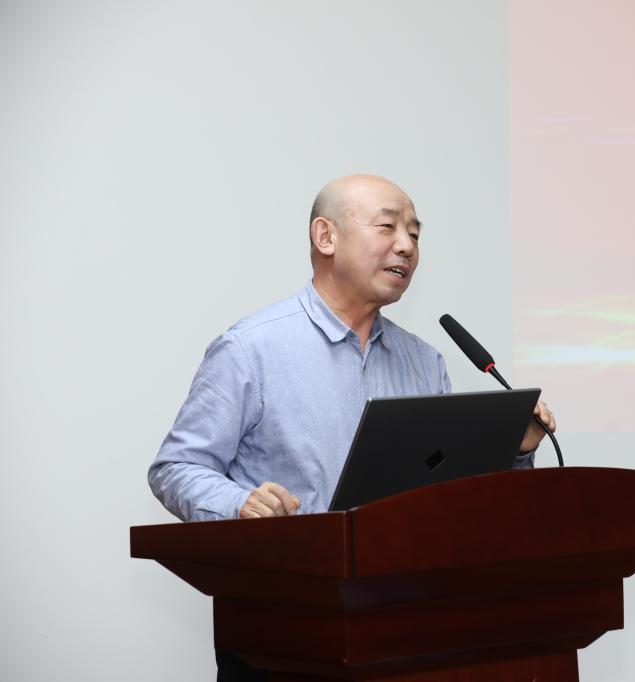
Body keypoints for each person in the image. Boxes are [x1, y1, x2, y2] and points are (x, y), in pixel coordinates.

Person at [149, 174, 555, 523]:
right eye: (387, 227)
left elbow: (453, 496)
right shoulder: (250, 350)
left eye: (414, 234)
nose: (407, 246)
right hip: (291, 580)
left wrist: (517, 450)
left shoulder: (424, 362)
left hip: (404, 582)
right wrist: (239, 504)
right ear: (326, 237)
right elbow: (176, 468)